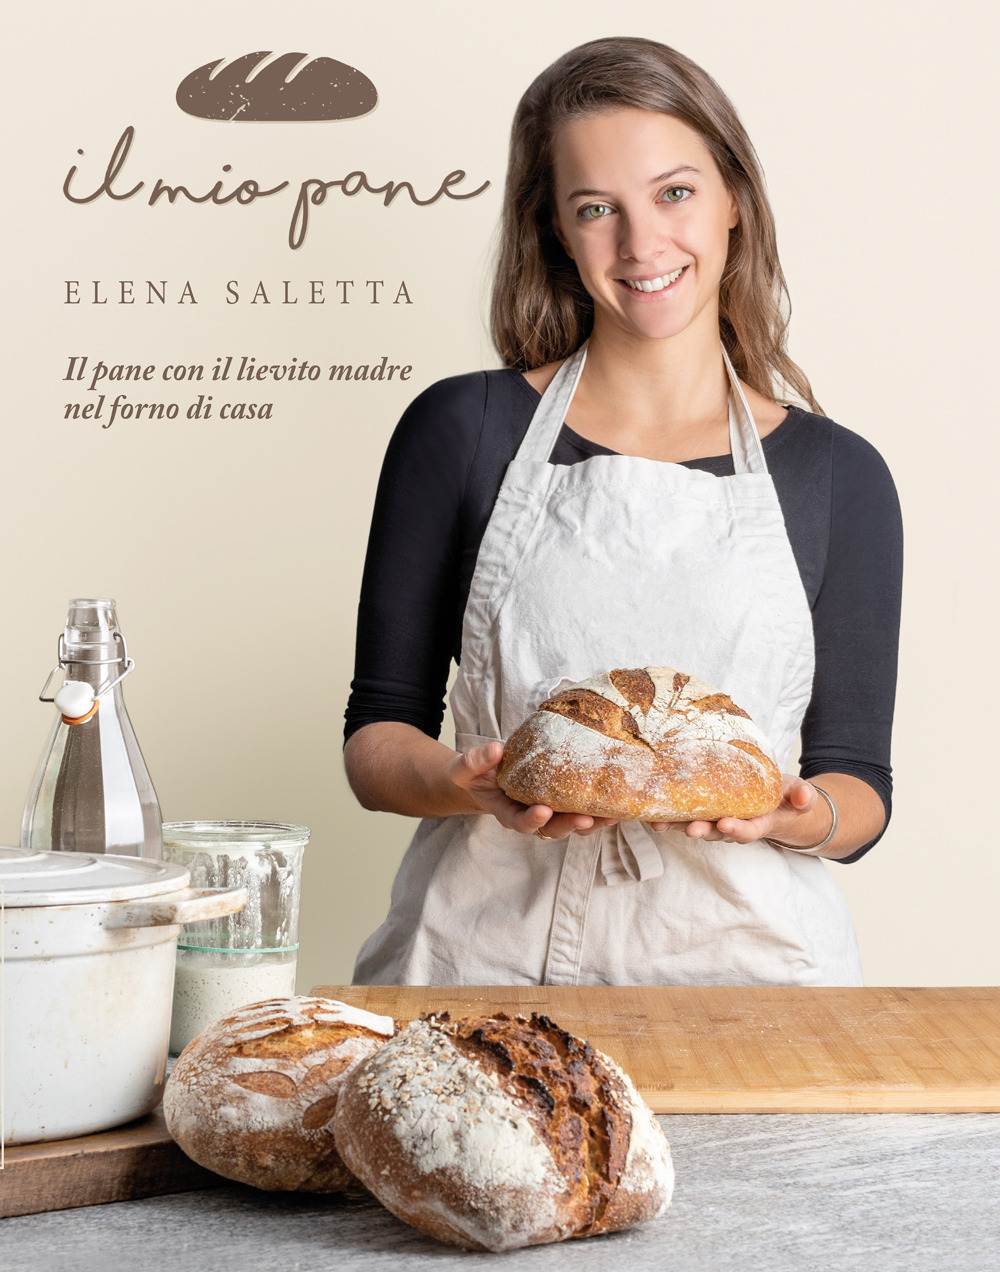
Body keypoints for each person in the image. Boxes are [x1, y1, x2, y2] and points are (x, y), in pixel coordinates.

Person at [343, 37, 902, 987]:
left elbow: (860, 788)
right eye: (597, 209)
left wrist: (792, 812)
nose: (641, 245)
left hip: (747, 979)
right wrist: (468, 785)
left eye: (674, 193)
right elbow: (376, 738)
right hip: (484, 962)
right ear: (558, 231)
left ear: (736, 201)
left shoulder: (839, 475)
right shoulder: (462, 429)